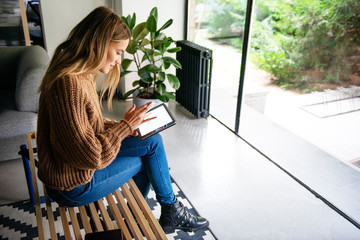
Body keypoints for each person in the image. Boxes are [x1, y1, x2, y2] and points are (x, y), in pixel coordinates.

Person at [36, 6, 209, 234]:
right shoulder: (69, 84)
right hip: (71, 184)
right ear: (99, 42)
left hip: (73, 166)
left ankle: (168, 209)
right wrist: (125, 127)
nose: (119, 61)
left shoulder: (77, 73)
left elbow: (86, 127)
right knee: (149, 162)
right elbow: (92, 156)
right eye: (118, 52)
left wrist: (126, 128)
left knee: (151, 140)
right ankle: (138, 219)